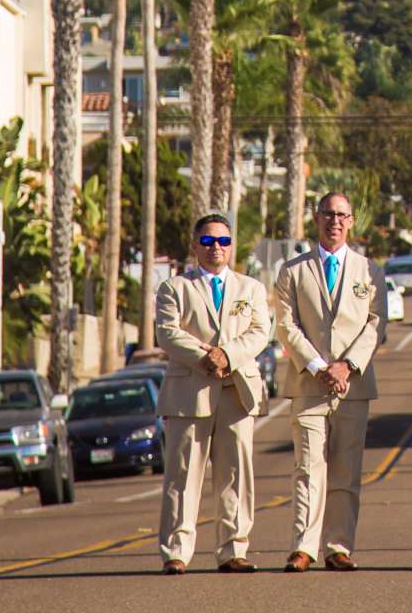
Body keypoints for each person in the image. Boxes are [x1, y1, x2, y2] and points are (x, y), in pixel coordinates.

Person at [273, 192, 388, 571]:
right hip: (308, 385)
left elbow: (376, 324)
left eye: (341, 215)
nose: (334, 221)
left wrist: (347, 366)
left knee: (346, 471)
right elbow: (286, 326)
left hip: (353, 387)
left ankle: (338, 546)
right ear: (316, 218)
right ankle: (303, 547)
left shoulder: (370, 271)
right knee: (308, 468)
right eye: (327, 214)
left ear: (351, 221)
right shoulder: (292, 271)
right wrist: (319, 365)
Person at [153, 214, 271, 573]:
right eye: (207, 241)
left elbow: (260, 331)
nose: (216, 248)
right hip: (191, 392)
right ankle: (176, 551)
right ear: (195, 246)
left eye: (223, 241)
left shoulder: (251, 288)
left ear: (232, 245)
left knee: (235, 475)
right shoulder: (174, 288)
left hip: (237, 391)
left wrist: (228, 356)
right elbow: (168, 333)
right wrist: (209, 357)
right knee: (184, 474)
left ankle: (233, 549)